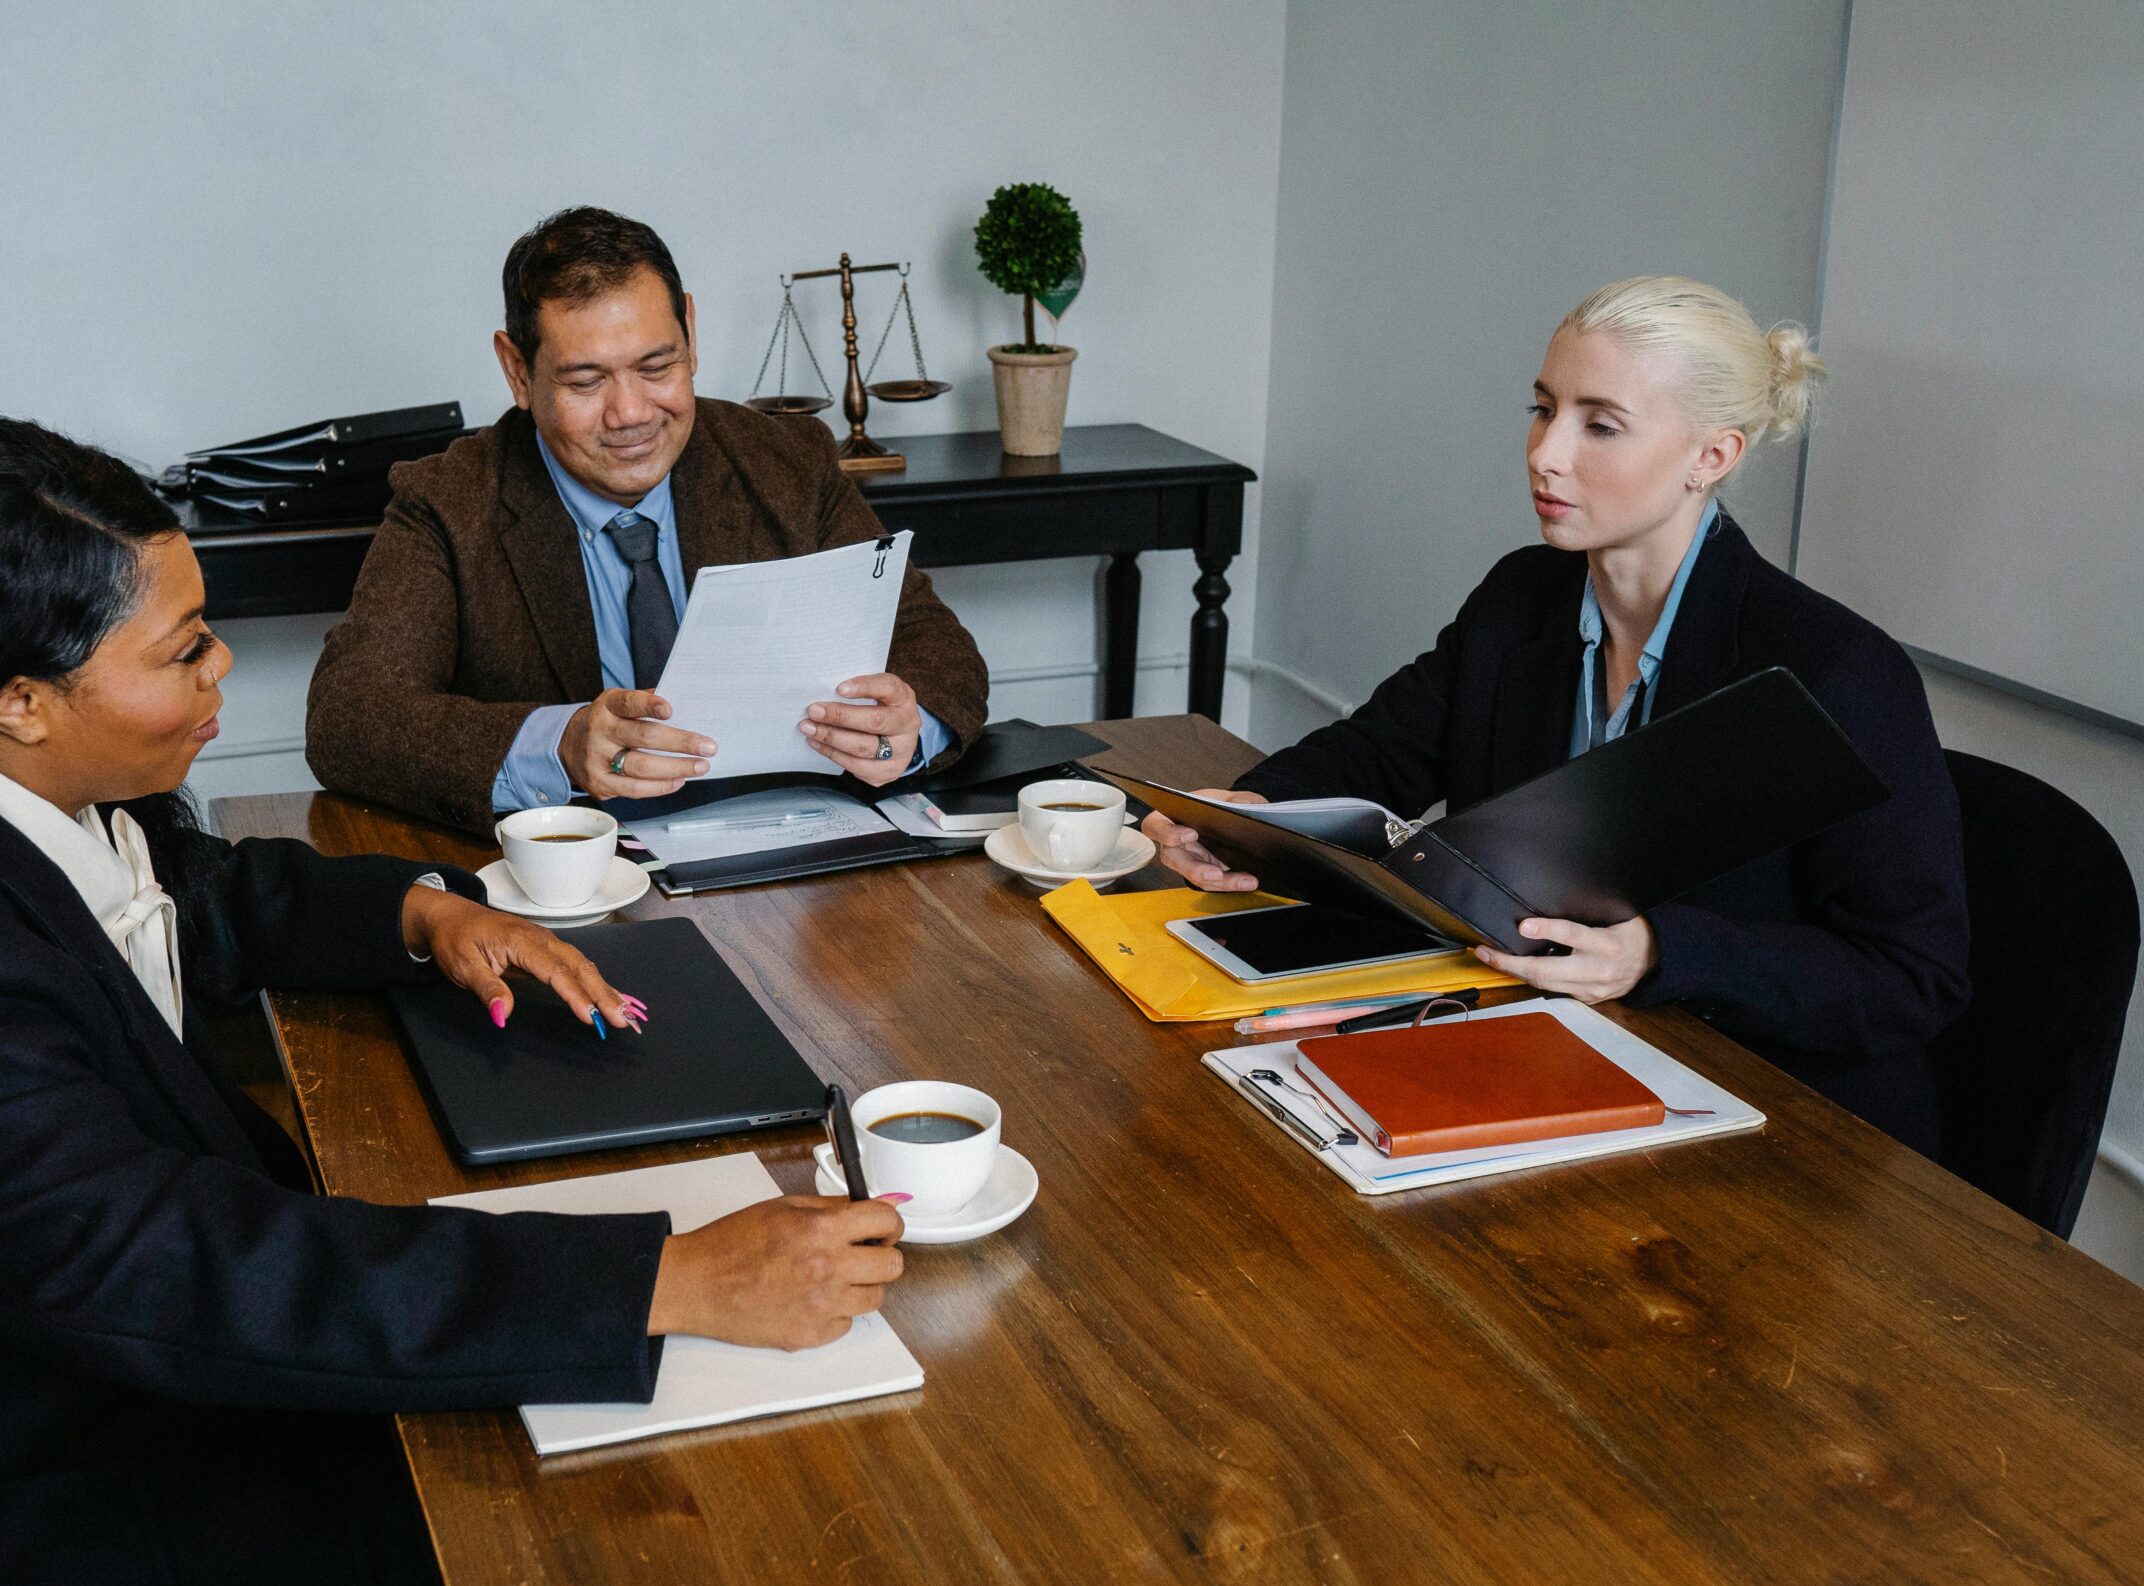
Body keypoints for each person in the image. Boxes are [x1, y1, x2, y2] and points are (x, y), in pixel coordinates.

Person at [0, 419, 905, 1586]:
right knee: (589, 1533)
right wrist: (661, 1277)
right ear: (17, 697)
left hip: (27, 1374)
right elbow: (203, 1272)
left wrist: (423, 910)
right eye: (182, 651)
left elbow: (204, 893)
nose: (223, 664)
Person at [1148, 278, 1970, 1154]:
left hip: (1771, 1127)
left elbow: (1913, 977)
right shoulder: (1520, 599)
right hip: (1544, 1059)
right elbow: (1383, 749)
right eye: (1543, 410)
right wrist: (1249, 809)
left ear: (1712, 455)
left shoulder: (1836, 671)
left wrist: (1657, 951)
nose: (1546, 453)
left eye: (1600, 424)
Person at [306, 206, 990, 832]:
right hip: (573, 889)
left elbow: (937, 647)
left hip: (784, 864)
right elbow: (348, 718)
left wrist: (910, 724)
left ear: (690, 330)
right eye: (586, 381)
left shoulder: (783, 460)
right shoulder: (450, 501)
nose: (631, 413)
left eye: (657, 365)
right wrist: (563, 743)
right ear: (518, 373)